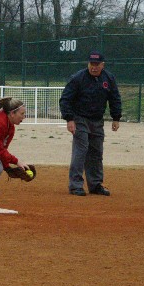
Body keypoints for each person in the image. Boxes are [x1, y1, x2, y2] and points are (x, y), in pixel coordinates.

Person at [59, 50, 122, 196]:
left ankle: (95, 185)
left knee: (96, 153)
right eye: (91, 64)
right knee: (81, 151)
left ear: (102, 65)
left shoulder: (109, 78)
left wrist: (116, 117)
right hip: (80, 119)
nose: (93, 67)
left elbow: (115, 98)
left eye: (97, 64)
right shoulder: (78, 78)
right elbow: (65, 99)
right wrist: (69, 119)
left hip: (97, 120)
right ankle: (75, 185)